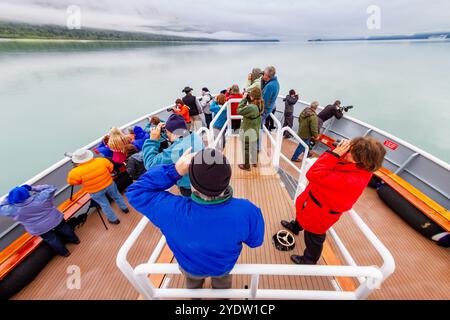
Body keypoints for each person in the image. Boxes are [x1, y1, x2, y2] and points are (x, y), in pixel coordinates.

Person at [126, 148, 265, 290]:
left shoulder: (171, 210)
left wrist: (175, 171)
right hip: (223, 267)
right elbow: (256, 242)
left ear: (192, 185)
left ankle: (195, 297)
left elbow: (136, 191)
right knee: (223, 285)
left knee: (193, 285)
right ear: (227, 179)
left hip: (190, 269)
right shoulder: (247, 211)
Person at [281, 137, 386, 265]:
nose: (346, 152)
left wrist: (335, 153)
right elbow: (334, 162)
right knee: (302, 215)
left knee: (314, 237)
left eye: (350, 152)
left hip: (320, 213)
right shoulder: (356, 165)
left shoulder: (351, 181)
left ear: (361, 160)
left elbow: (313, 174)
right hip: (312, 202)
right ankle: (296, 226)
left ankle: (309, 259)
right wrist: (335, 150)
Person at [0, 184, 80, 257]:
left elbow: (1, 207)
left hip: (39, 228)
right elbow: (51, 188)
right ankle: (75, 240)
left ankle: (65, 253)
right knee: (65, 229)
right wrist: (32, 188)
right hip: (55, 219)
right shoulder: (41, 198)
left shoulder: (13, 210)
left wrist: (8, 198)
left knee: (51, 239)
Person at [142, 113, 204, 196]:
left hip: (190, 188)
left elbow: (150, 164)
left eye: (166, 132)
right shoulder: (193, 135)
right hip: (201, 179)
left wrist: (153, 140)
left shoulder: (176, 150)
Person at [67, 149, 129, 224]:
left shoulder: (74, 172)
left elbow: (73, 182)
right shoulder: (102, 160)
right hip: (109, 184)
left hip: (95, 191)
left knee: (104, 204)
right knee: (117, 196)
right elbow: (111, 168)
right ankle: (125, 208)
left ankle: (114, 220)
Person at [237, 87, 264, 171]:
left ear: (252, 96)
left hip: (248, 131)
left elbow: (239, 110)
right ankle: (254, 162)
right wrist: (249, 98)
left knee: (246, 149)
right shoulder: (260, 103)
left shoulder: (252, 107)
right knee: (253, 147)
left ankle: (246, 166)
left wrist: (244, 99)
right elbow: (251, 106)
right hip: (255, 129)